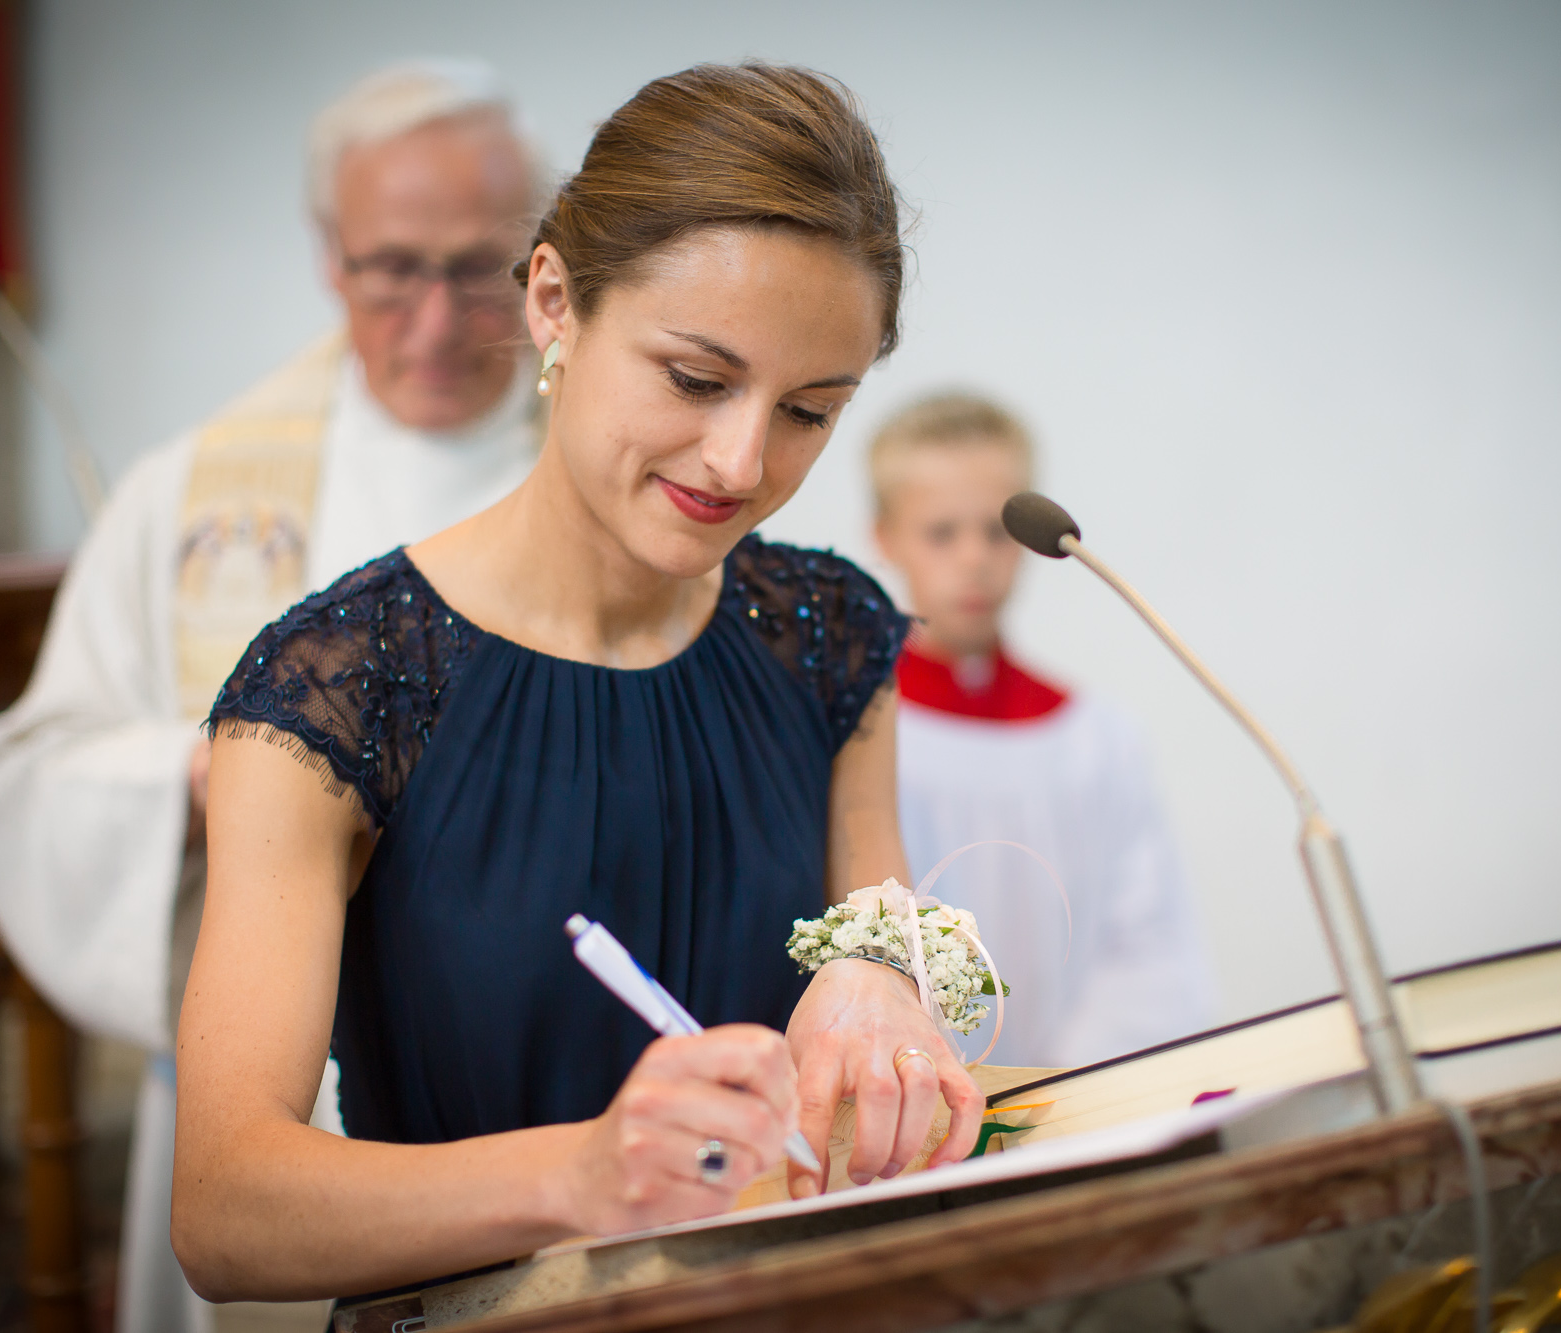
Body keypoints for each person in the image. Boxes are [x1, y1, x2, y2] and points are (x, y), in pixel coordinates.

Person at [170, 63, 985, 1302]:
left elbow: (880, 913)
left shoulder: (824, 634)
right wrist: (585, 1175)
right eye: (695, 380)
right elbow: (223, 1212)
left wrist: (880, 976)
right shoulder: (338, 689)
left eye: (810, 411)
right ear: (554, 300)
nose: (740, 461)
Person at [0, 60, 543, 1333]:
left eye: (476, 267)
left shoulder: (625, 469)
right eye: (393, 270)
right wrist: (197, 771)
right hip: (286, 1093)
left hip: (549, 1075)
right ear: (330, 256)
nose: (437, 319)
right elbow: (12, 779)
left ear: (542, 259)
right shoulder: (197, 496)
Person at [869, 393, 1216, 1067]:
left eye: (997, 532)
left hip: (1080, 1097)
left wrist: (1068, 1091)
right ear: (885, 537)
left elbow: (1146, 944)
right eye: (941, 532)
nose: (974, 558)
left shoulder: (1092, 738)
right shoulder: (862, 728)